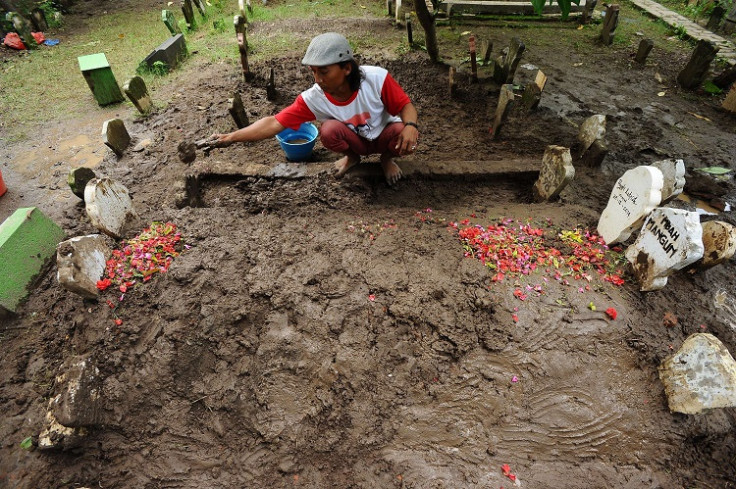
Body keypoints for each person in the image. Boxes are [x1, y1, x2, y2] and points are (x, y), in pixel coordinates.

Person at [210, 32, 419, 185]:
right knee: (328, 131)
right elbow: (275, 122)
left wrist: (410, 125)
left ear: (347, 68)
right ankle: (352, 157)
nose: (318, 79)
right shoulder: (314, 98)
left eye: (324, 72)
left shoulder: (376, 79)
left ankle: (386, 160)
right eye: (314, 72)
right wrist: (231, 137)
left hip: (385, 137)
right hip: (356, 142)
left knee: (404, 131)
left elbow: (405, 106)